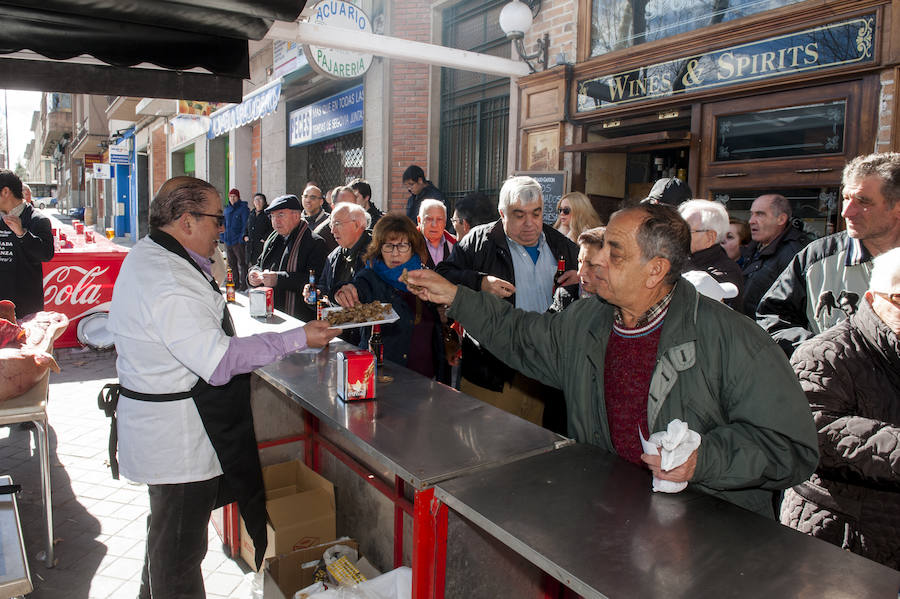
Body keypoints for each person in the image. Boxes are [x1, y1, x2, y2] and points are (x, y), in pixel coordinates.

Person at [409, 203, 818, 517]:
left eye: (615, 252)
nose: (597, 260)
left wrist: (703, 459)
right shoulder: (588, 321)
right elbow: (522, 336)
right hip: (608, 519)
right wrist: (457, 297)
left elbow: (790, 448)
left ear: (655, 270)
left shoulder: (734, 341)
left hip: (708, 539)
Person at [106, 176, 337, 599]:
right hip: (175, 442)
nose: (221, 229)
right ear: (186, 220)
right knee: (178, 553)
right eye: (214, 219)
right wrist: (297, 338)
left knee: (165, 543)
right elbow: (219, 362)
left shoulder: (156, 256)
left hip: (169, 431)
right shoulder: (169, 281)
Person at [780, 247, 900, 570]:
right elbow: (814, 430)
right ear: (873, 299)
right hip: (840, 535)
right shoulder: (824, 353)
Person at [436, 176, 578, 430]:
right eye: (519, 215)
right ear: (502, 214)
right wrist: (479, 282)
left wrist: (584, 278)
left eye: (536, 214)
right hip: (494, 375)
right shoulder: (478, 242)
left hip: (546, 377)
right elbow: (444, 276)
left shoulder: (563, 246)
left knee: (539, 458)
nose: (530, 223)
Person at [758, 153, 900, 356]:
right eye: (846, 198)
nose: (846, 212)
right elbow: (771, 319)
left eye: (862, 201)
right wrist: (824, 351)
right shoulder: (817, 256)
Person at [333, 214, 445, 379]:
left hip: (427, 378)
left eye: (402, 246)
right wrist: (342, 290)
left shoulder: (424, 277)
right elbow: (357, 288)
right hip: (384, 378)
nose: (395, 253)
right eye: (388, 246)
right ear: (379, 248)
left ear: (412, 247)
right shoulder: (370, 277)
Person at [248, 194, 328, 322]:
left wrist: (278, 279)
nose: (275, 221)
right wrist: (253, 274)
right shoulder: (273, 239)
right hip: (270, 312)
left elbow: (315, 280)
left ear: (296, 216)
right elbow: (259, 263)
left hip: (299, 318)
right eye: (272, 216)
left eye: (280, 215)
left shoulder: (314, 242)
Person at [740, 193, 809, 317]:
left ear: (781, 219)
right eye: (751, 214)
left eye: (760, 214)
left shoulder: (795, 253)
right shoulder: (754, 247)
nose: (751, 221)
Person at [0, 169, 54, 319]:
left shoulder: (37, 220)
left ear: (5, 192)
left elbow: (46, 254)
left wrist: (22, 234)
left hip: (25, 309)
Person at [678, 199, 744, 311]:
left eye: (686, 230)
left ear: (710, 237)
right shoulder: (674, 260)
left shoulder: (724, 272)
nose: (678, 234)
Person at [549, 226, 605, 313]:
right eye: (580, 261)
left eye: (591, 264)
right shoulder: (565, 297)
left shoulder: (624, 306)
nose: (580, 272)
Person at [402, 165, 450, 230]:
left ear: (420, 180)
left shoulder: (435, 197)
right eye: (407, 186)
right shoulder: (412, 199)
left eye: (411, 184)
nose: (409, 189)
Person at [223, 188, 249, 291]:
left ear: (238, 197)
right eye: (231, 197)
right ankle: (235, 283)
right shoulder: (226, 209)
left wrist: (241, 238)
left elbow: (245, 225)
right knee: (232, 264)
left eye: (234, 197)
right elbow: (223, 224)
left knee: (242, 263)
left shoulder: (243, 208)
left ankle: (244, 285)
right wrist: (222, 237)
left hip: (238, 241)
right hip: (228, 241)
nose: (232, 199)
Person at [418, 199, 455, 267]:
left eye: (439, 219)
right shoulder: (408, 244)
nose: (434, 224)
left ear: (445, 222)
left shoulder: (454, 245)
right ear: (419, 220)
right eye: (429, 219)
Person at [301, 184, 337, 252]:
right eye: (305, 196)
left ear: (321, 202)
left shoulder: (330, 221)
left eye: (312, 197)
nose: (308, 200)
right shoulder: (297, 222)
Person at [244, 193, 272, 266]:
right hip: (251, 245)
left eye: (260, 200)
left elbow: (272, 229)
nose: (258, 202)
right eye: (256, 200)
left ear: (264, 201)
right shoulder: (251, 214)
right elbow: (247, 227)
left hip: (261, 245)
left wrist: (264, 239)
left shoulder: (267, 214)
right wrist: (245, 236)